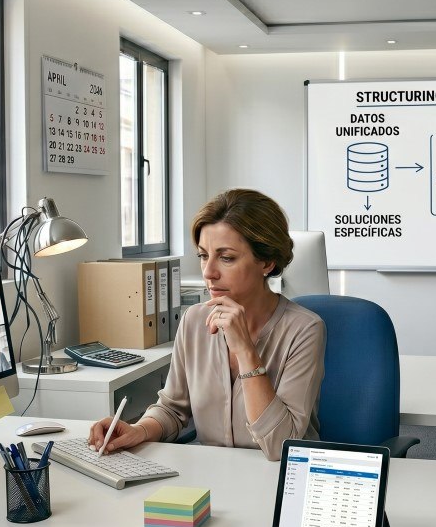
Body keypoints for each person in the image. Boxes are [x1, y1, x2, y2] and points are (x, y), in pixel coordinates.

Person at [88, 189, 325, 461]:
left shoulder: (305, 330)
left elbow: (282, 445)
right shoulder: (194, 320)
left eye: (226, 258)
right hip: (214, 474)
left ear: (267, 262)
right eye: (203, 255)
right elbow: (173, 409)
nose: (208, 272)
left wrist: (246, 352)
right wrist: (138, 430)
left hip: (282, 478)